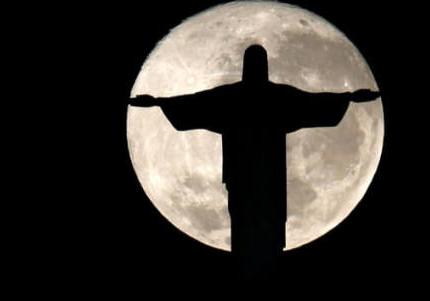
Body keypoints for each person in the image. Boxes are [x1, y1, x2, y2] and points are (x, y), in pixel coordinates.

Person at [129, 45, 380, 272]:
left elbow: (312, 102)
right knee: (243, 217)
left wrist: (349, 97)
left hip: (268, 172)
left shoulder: (269, 97)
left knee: (263, 218)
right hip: (244, 171)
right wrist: (157, 102)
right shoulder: (239, 97)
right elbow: (196, 103)